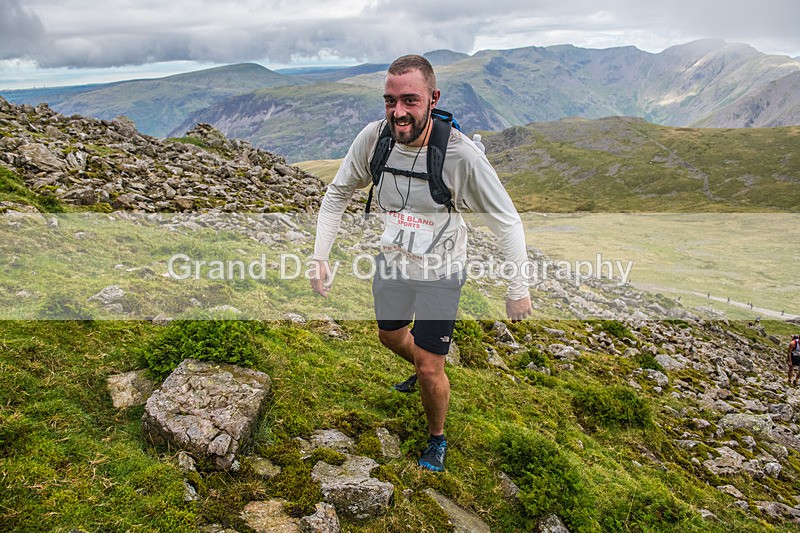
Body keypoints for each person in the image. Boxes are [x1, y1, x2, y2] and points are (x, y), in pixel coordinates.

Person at [310, 54, 532, 472]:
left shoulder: (461, 156)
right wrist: (319, 257)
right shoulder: (375, 140)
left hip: (441, 271)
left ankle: (436, 438)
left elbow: (507, 220)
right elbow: (337, 195)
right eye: (390, 101)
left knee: (431, 367)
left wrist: (518, 288)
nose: (398, 112)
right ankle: (423, 366)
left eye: (409, 100)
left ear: (433, 98)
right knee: (390, 337)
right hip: (393, 261)